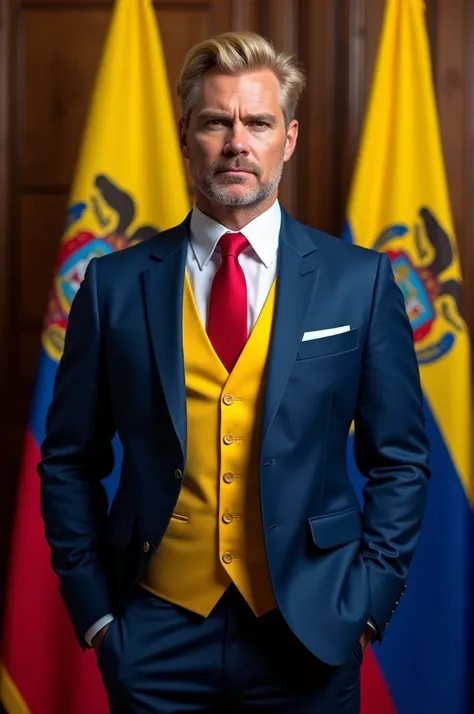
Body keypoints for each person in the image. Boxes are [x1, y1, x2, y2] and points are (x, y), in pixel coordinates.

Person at [39, 31, 430, 714]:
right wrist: (98, 614)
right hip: (152, 630)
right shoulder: (111, 285)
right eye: (217, 121)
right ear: (185, 132)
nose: (236, 142)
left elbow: (400, 457)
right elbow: (69, 458)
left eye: (257, 122)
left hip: (310, 629)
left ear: (290, 137)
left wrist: (365, 605)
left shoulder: (359, 282)